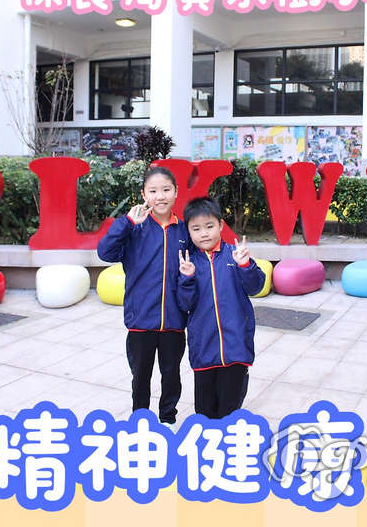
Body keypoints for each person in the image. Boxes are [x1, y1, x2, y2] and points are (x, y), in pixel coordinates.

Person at [96, 166, 189, 425]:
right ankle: (140, 421)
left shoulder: (183, 231)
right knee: (140, 376)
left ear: (175, 192)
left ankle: (168, 419)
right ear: (144, 194)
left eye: (166, 190)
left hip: (174, 320)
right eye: (153, 191)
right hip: (140, 320)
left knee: (171, 375)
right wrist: (126, 223)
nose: (160, 196)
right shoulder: (133, 228)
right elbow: (105, 252)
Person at [176, 197, 265, 419]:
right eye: (196, 229)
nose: (204, 233)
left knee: (230, 410)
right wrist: (186, 278)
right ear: (189, 232)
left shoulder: (234, 255)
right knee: (204, 411)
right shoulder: (189, 263)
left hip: (236, 347)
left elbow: (256, 287)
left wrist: (245, 265)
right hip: (203, 348)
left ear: (221, 225)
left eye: (209, 226)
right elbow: (185, 304)